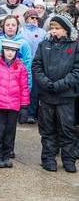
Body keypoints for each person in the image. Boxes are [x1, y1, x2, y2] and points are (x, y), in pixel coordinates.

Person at [32, 13, 79, 173]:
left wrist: (59, 85)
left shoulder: (75, 47)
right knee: (47, 129)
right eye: (52, 28)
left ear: (66, 30)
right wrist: (46, 83)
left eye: (57, 28)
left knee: (67, 129)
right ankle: (48, 159)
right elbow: (36, 66)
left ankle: (69, 160)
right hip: (47, 96)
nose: (54, 31)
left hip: (66, 97)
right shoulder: (44, 45)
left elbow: (76, 71)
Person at [0, 39, 30, 168]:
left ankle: (6, 155)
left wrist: (24, 107)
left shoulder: (21, 68)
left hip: (13, 105)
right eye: (7, 50)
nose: (10, 53)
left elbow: (24, 88)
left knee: (10, 132)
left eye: (13, 51)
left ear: (16, 52)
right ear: (2, 51)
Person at [19, 9, 46, 124]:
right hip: (23, 64)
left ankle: (31, 114)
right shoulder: (20, 31)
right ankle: (20, 113)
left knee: (34, 91)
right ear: (26, 19)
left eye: (36, 18)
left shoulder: (43, 32)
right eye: (32, 18)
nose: (35, 20)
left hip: (37, 65)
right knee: (22, 89)